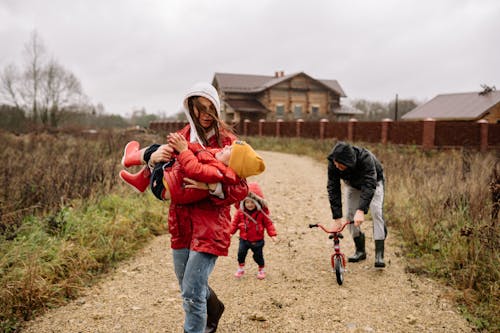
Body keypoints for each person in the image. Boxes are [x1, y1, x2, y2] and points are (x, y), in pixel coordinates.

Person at [147, 82, 250, 333]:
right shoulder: (180, 138)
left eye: (209, 109)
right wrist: (153, 160)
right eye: (198, 109)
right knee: (187, 283)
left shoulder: (229, 142)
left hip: (211, 224)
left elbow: (241, 189)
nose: (204, 115)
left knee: (192, 292)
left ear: (216, 109)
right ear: (190, 109)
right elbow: (167, 175)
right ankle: (214, 308)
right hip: (181, 221)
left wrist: (211, 187)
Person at [119, 133, 265, 204]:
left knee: (159, 149)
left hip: (163, 186)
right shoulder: (217, 161)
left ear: (233, 163)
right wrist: (183, 144)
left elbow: (194, 169)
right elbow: (200, 150)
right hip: (165, 183)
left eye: (230, 150)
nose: (226, 146)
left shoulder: (218, 172)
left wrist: (183, 150)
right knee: (167, 152)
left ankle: (130, 158)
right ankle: (140, 181)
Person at [326, 141, 387, 268]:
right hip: (353, 185)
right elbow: (333, 188)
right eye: (335, 163)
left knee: (376, 212)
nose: (336, 166)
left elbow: (370, 184)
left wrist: (361, 210)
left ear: (348, 162)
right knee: (349, 216)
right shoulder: (333, 163)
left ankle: (379, 255)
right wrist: (337, 217)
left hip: (374, 182)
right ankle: (360, 251)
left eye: (339, 164)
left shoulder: (366, 158)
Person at [230, 182, 277, 279]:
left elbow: (268, 223)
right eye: (247, 202)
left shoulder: (262, 213)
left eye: (252, 202)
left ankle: (261, 269)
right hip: (244, 239)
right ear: (243, 202)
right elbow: (234, 223)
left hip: (258, 240)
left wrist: (272, 234)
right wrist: (230, 232)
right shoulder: (240, 212)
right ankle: (241, 268)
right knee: (241, 254)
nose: (249, 205)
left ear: (257, 203)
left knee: (258, 256)